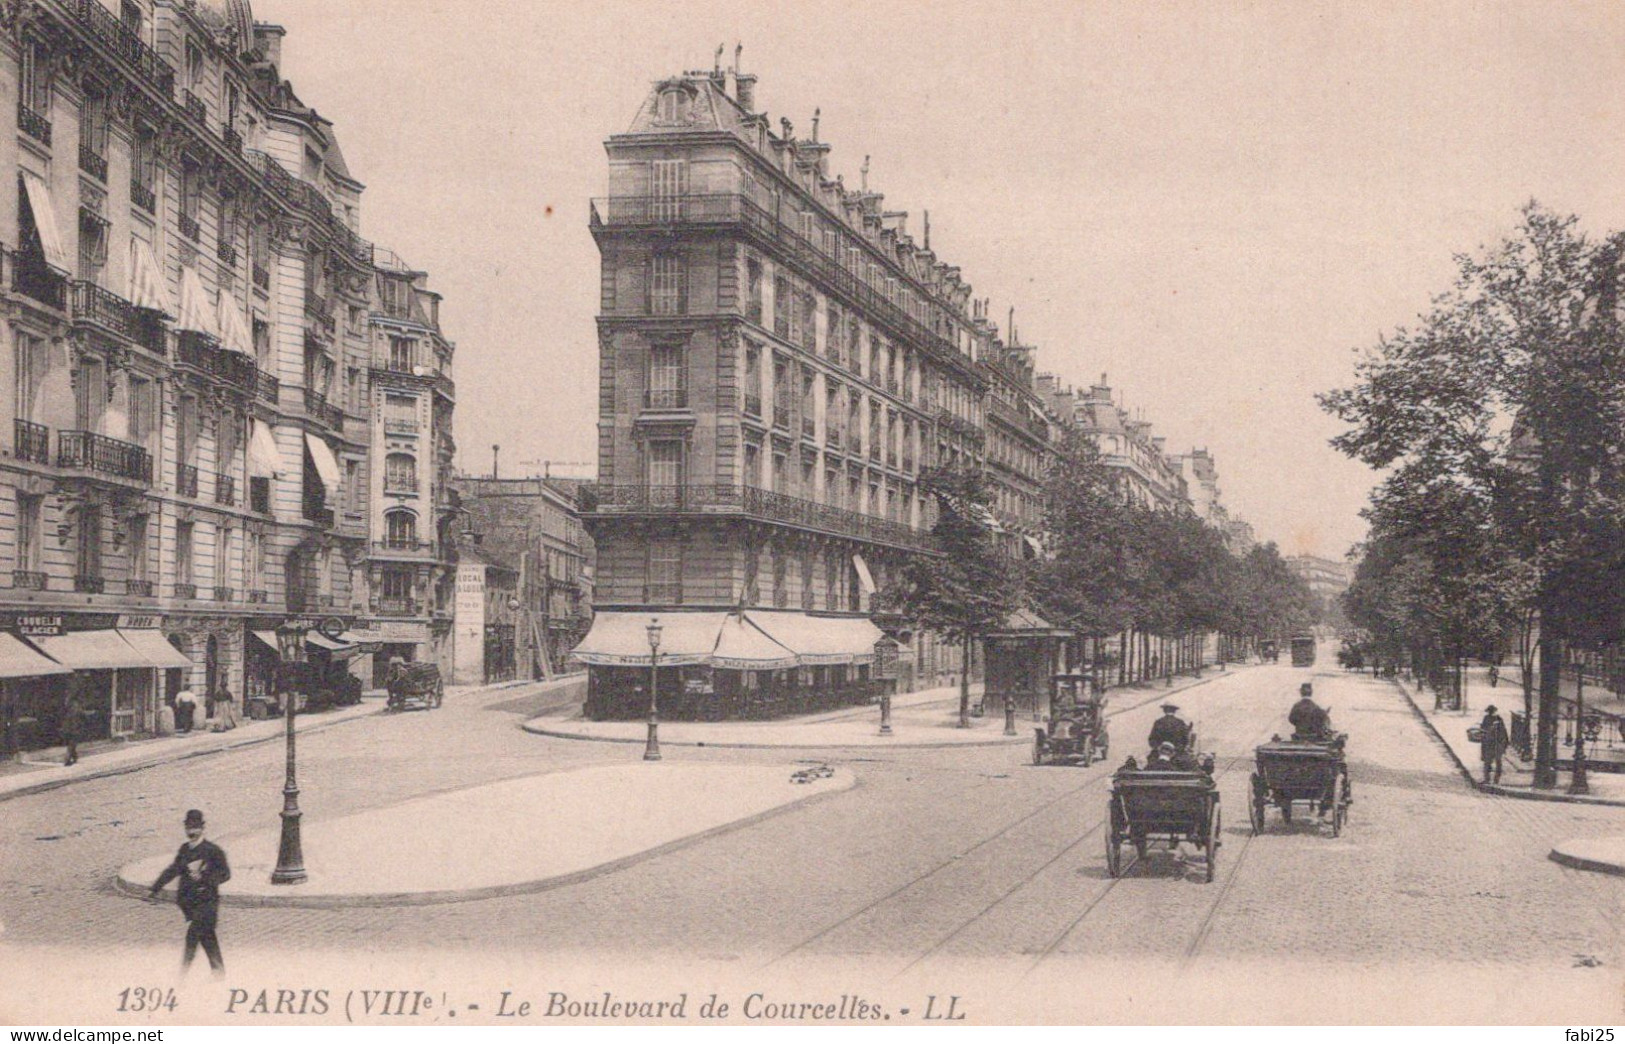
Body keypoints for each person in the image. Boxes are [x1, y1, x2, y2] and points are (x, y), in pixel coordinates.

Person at [147, 809, 230, 976]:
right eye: (188, 828)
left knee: (192, 937)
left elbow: (225, 874)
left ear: (202, 828)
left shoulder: (212, 851)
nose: (191, 832)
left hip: (207, 902)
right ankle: (219, 971)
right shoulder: (184, 849)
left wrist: (205, 877)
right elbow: (174, 870)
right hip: (190, 904)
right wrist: (156, 887)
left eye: (195, 828)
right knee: (207, 937)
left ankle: (181, 977)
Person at [1479, 704, 1510, 784]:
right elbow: (1504, 732)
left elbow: (1483, 730)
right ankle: (1493, 779)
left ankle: (1490, 779)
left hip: (1492, 743)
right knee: (1494, 762)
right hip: (1494, 744)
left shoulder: (1489, 719)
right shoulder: (1496, 719)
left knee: (1490, 762)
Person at [60, 685, 84, 767]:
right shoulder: (75, 706)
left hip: (67, 727)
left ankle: (74, 757)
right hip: (73, 727)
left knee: (72, 743)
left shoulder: (68, 705)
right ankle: (67, 760)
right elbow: (78, 716)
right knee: (72, 744)